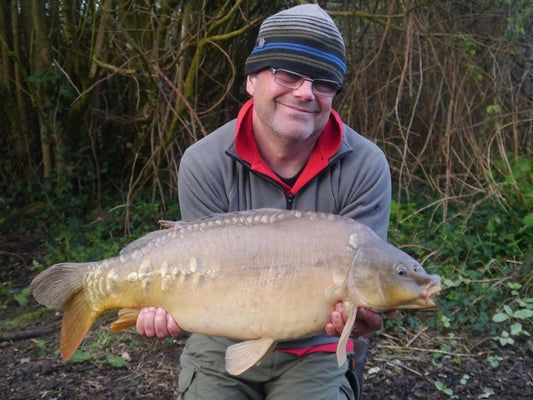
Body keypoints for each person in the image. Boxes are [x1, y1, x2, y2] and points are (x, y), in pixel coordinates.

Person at [136, 4, 394, 399]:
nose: (305, 92)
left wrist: (362, 316)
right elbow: (199, 280)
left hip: (318, 347)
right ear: (252, 80)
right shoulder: (204, 161)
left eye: (323, 82)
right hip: (221, 337)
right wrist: (162, 305)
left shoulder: (366, 165)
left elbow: (366, 288)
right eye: (288, 74)